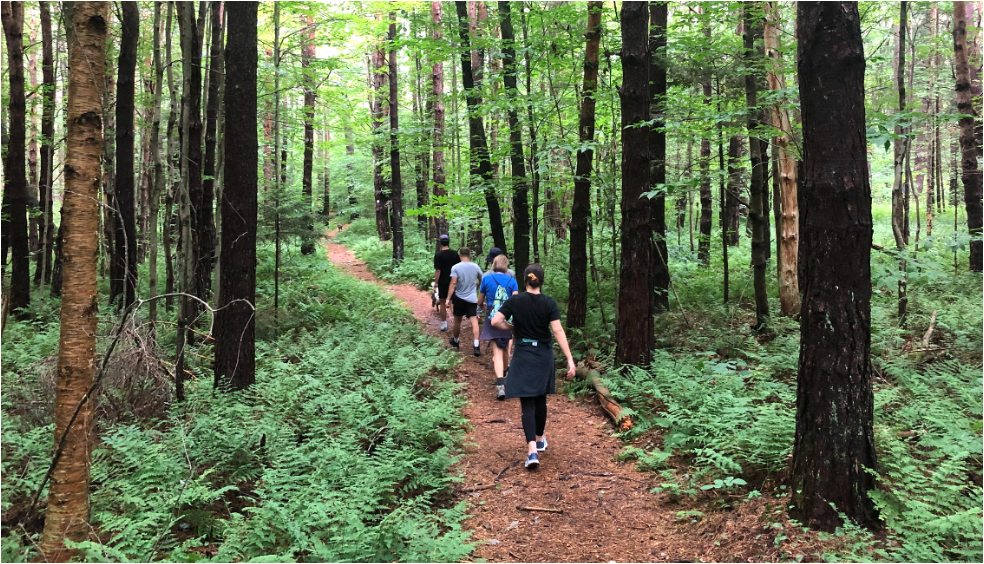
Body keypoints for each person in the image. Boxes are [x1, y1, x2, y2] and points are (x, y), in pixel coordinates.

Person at [491, 264, 576, 470]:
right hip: (543, 355)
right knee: (540, 399)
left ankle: (532, 451)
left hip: (523, 353)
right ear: (541, 281)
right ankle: (539, 439)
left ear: (525, 280)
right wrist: (569, 359)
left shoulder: (515, 300)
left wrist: (510, 327)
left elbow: (495, 321)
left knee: (527, 403)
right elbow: (557, 330)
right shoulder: (549, 303)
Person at [478, 254, 519, 400]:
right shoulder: (512, 281)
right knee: (506, 347)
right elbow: (516, 300)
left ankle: (500, 385)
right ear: (506, 265)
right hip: (507, 315)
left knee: (497, 352)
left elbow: (480, 300)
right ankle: (506, 372)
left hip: (492, 316)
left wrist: (481, 307)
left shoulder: (487, 279)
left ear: (494, 264)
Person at [446, 247, 484, 356]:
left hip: (459, 298)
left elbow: (453, 283)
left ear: (460, 255)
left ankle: (456, 340)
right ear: (469, 255)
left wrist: (448, 299)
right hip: (472, 299)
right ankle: (476, 345)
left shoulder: (456, 267)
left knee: (457, 321)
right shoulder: (475, 267)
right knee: (474, 320)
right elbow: (482, 279)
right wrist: (476, 286)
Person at [433, 234, 460, 332]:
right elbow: (458, 267)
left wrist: (436, 283)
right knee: (452, 302)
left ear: (440, 243)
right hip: (453, 280)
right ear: (448, 242)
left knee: (442, 302)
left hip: (443, 282)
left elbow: (438, 270)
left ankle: (444, 324)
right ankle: (456, 323)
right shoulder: (454, 254)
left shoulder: (438, 255)